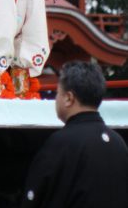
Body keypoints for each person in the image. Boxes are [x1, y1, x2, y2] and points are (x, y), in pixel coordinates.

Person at [21, 61, 128, 207]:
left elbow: (37, 195)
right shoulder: (119, 143)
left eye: (58, 93)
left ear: (68, 98)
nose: (56, 99)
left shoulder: (60, 143)